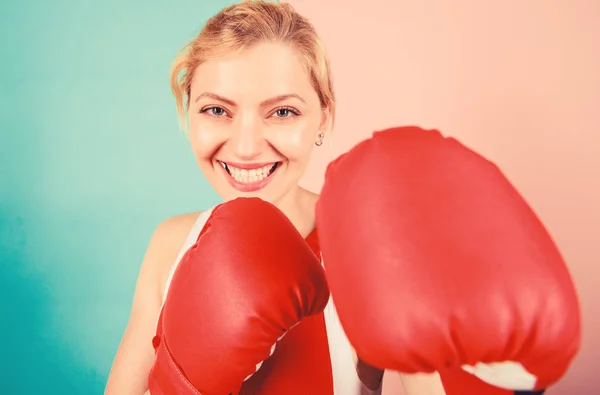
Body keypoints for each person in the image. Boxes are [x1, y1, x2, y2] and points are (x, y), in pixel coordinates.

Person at [105, 1, 437, 394]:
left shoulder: (373, 248)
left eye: (282, 112)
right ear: (188, 112)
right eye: (215, 109)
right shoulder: (171, 245)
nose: (246, 148)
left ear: (323, 118)